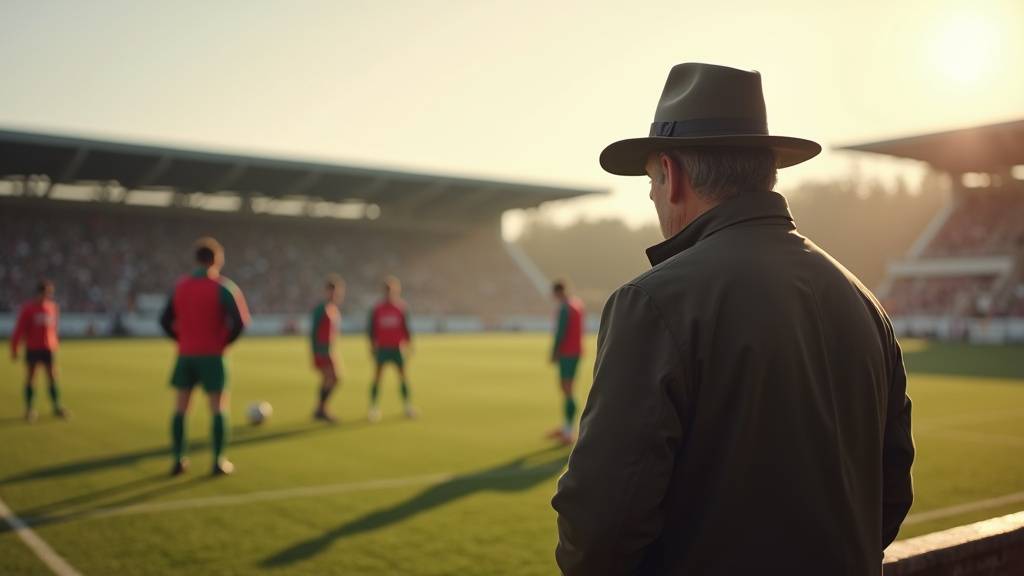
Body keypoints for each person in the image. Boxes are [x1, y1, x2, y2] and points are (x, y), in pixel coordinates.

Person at [552, 63, 914, 576]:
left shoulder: (654, 302)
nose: (653, 198)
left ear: (670, 174)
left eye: (650, 183)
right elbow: (891, 491)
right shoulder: (862, 301)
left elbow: (600, 530)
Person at [160, 237, 250, 476]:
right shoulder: (223, 287)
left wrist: (181, 339)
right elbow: (239, 323)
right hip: (213, 355)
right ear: (217, 259)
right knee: (218, 408)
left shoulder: (180, 286)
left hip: (186, 354)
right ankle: (218, 460)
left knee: (181, 408)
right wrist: (224, 342)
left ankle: (179, 459)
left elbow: (164, 320)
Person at [10, 280, 68, 422]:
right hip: (33, 348)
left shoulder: (53, 308)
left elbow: (54, 328)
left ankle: (56, 406)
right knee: (31, 377)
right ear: (40, 292)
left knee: (52, 376)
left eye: (50, 292)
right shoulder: (28, 309)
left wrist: (55, 342)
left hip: (48, 348)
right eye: (47, 292)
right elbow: (20, 329)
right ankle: (29, 409)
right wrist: (15, 347)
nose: (49, 295)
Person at [367, 275, 415, 422]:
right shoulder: (377, 309)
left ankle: (407, 406)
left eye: (392, 290)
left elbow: (406, 328)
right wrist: (371, 346)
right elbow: (371, 329)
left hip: (397, 348)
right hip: (382, 348)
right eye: (387, 290)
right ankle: (373, 408)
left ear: (397, 291)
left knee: (403, 377)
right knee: (377, 378)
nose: (390, 293)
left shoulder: (401, 308)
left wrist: (410, 345)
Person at [548, 280, 584, 445]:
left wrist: (554, 353)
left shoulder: (564, 308)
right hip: (575, 351)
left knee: (567, 389)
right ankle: (566, 427)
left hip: (567, 353)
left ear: (557, 292)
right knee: (568, 389)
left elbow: (560, 333)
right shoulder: (577, 304)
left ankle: (569, 431)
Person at [311, 274, 345, 423]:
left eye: (337, 292)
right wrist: (316, 352)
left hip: (330, 350)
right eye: (332, 291)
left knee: (328, 379)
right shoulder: (321, 309)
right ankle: (321, 409)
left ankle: (320, 409)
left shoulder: (333, 309)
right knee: (335, 378)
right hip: (323, 351)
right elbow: (314, 332)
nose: (335, 295)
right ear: (327, 292)